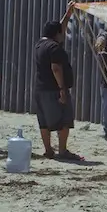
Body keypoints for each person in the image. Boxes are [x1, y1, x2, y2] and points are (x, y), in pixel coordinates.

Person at [33, 21, 76, 160]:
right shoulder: (54, 47)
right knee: (64, 119)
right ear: (57, 33)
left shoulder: (39, 45)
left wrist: (68, 13)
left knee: (44, 121)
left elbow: (60, 26)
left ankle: (48, 150)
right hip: (54, 89)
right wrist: (62, 89)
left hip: (40, 88)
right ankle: (62, 150)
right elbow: (56, 68)